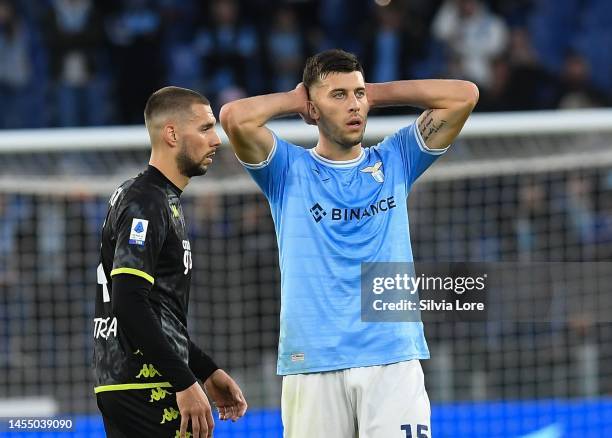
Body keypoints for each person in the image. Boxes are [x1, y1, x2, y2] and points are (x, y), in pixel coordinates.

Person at [220, 49, 478, 437]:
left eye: (357, 94)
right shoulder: (288, 170)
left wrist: (374, 91)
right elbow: (234, 117)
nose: (354, 105)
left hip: (392, 355)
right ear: (313, 107)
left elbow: (464, 95)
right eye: (338, 95)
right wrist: (296, 99)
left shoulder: (396, 159)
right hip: (313, 360)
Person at [93, 86, 247, 438]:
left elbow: (155, 310)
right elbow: (128, 301)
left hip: (130, 383)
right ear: (172, 134)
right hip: (146, 386)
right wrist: (184, 381)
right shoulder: (147, 202)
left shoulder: (154, 197)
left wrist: (204, 370)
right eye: (206, 128)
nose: (217, 140)